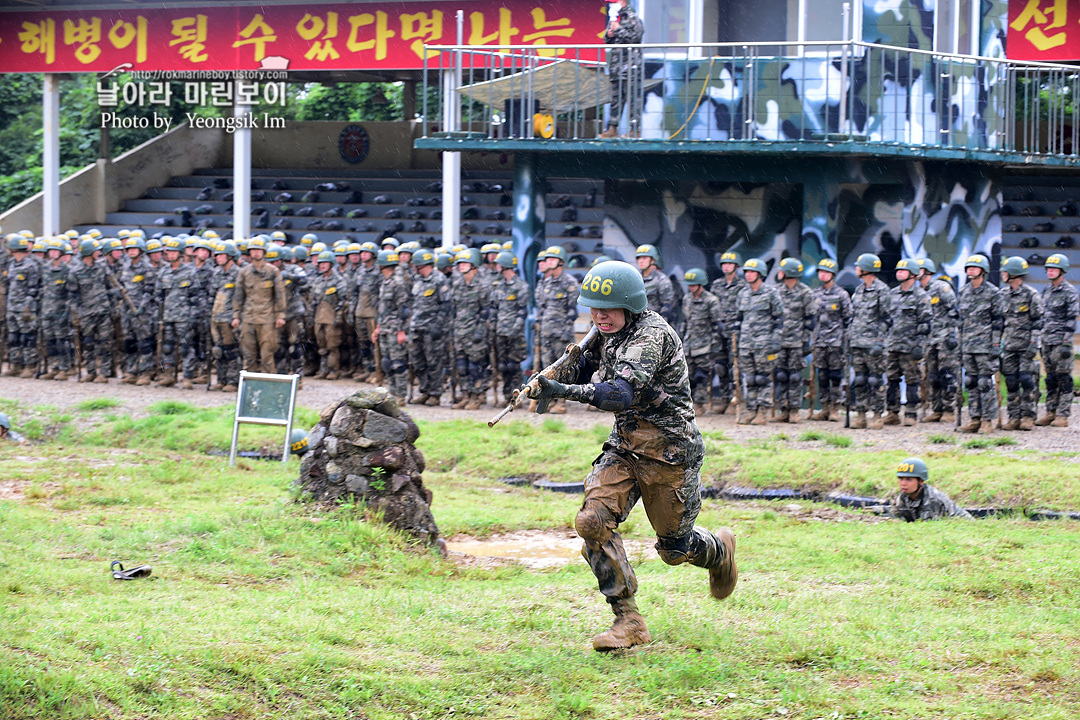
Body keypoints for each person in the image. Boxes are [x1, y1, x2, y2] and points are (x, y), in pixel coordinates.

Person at [528, 260, 736, 651]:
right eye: (593, 308)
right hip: (625, 446)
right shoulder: (605, 332)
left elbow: (618, 394)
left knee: (674, 550)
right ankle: (629, 620)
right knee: (591, 521)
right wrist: (551, 380)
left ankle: (719, 550)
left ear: (631, 305)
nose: (599, 316)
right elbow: (586, 368)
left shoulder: (651, 336)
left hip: (668, 451)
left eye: (608, 309)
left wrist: (562, 391)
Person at [957, 255, 1004, 433]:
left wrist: (995, 344)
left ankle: (987, 420)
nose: (971, 270)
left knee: (985, 382)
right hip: (968, 345)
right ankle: (974, 418)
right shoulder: (963, 292)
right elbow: (962, 321)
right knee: (971, 382)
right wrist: (960, 344)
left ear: (983, 271)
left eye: (975, 268)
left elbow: (998, 321)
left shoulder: (993, 292)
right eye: (969, 267)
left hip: (985, 346)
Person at [734, 258, 783, 425]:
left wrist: (775, 340)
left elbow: (779, 319)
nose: (748, 275)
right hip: (746, 344)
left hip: (764, 344)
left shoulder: (771, 293)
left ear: (760, 274)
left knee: (763, 378)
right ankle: (751, 410)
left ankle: (763, 411)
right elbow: (739, 319)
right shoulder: (743, 294)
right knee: (750, 379)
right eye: (746, 272)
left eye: (752, 272)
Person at [883, 258, 932, 426]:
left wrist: (920, 344)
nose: (899, 273)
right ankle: (892, 412)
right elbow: (886, 319)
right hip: (893, 345)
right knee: (892, 379)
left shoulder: (921, 296)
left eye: (903, 271)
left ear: (912, 275)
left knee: (912, 380)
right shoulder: (892, 294)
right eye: (898, 270)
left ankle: (911, 413)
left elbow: (925, 323)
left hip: (911, 347)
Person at [999, 257, 1043, 431]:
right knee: (1010, 381)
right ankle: (1013, 416)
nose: (1002, 274)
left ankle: (1028, 416)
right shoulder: (1003, 295)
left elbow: (1038, 322)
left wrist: (1034, 344)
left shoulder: (1031, 295)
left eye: (1005, 271)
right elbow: (1000, 321)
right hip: (1009, 346)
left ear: (1014, 273)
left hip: (1026, 346)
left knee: (1026, 381)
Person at [232, 237, 287, 375]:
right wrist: (236, 316)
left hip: (266, 318)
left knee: (267, 354)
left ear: (264, 252)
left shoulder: (272, 271)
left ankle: (269, 384)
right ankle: (250, 386)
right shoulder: (244, 272)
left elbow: (280, 295)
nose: (256, 253)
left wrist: (281, 315)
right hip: (249, 317)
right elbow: (239, 295)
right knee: (248, 354)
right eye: (253, 250)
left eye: (258, 250)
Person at [1036, 253, 1078, 427]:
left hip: (1061, 342)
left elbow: (1071, 318)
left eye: (1054, 269)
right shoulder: (1046, 291)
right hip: (1047, 341)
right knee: (1050, 379)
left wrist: (1067, 343)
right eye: (1049, 269)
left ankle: (1063, 415)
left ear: (1063, 271)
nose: (1050, 272)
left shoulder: (1069, 291)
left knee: (1064, 378)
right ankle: (1050, 411)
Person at [849, 253, 891, 429]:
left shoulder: (882, 290)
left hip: (874, 343)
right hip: (858, 342)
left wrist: (880, 341)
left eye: (859, 266)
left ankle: (877, 415)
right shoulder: (858, 291)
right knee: (860, 380)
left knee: (875, 379)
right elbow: (854, 317)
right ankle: (861, 414)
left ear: (866, 269)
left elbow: (887, 319)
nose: (856, 268)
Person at [916, 258, 960, 424]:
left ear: (927, 271)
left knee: (947, 375)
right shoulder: (919, 292)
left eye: (919, 269)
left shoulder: (941, 287)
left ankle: (949, 409)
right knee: (932, 376)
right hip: (930, 340)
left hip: (944, 338)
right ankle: (937, 409)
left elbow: (954, 312)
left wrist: (952, 335)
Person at [773, 257, 817, 423]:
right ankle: (784, 409)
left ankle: (794, 410)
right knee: (782, 375)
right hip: (780, 342)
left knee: (795, 377)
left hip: (797, 342)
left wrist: (805, 342)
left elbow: (810, 321)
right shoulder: (776, 291)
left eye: (782, 270)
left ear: (789, 273)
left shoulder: (805, 293)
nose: (779, 272)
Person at [809, 258, 852, 421]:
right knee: (822, 376)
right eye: (820, 271)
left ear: (832, 275)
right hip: (820, 342)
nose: (823, 274)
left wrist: (846, 339)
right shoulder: (815, 294)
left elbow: (848, 318)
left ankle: (835, 407)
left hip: (836, 342)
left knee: (835, 375)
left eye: (826, 272)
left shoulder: (841, 294)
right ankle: (824, 407)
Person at [679, 267, 723, 416]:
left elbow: (717, 324)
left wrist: (714, 346)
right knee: (688, 376)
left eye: (693, 285)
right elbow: (685, 321)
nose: (691, 287)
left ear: (701, 284)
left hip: (705, 345)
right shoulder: (687, 299)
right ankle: (688, 404)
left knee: (702, 376)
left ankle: (699, 404)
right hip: (689, 344)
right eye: (689, 285)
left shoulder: (711, 301)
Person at [599, 0, 644, 139]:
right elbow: (607, 40)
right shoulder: (614, 18)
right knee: (615, 99)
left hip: (631, 65)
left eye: (614, 2)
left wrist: (618, 29)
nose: (611, 5)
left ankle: (634, 130)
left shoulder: (632, 17)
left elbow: (636, 37)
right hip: (616, 66)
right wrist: (609, 34)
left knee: (632, 99)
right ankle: (612, 128)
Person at [709, 251, 746, 414]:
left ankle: (735, 399)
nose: (726, 266)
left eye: (730, 264)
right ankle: (724, 399)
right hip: (719, 331)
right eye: (724, 264)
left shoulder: (743, 286)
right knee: (720, 366)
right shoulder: (716, 285)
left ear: (736, 266)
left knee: (734, 366)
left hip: (735, 332)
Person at [374, 249, 411, 403]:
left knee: (398, 362)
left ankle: (401, 395)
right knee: (387, 362)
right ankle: (392, 392)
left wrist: (402, 331)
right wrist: (377, 327)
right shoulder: (385, 281)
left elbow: (404, 309)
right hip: (385, 328)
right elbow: (383, 308)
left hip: (396, 329)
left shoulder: (399, 282)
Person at [890, 457, 972, 522]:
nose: (903, 483)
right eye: (901, 478)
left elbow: (927, 528)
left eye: (909, 479)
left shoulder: (933, 500)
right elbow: (897, 515)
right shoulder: (904, 495)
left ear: (921, 481)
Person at [635, 244, 675, 325]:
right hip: (637, 324)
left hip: (654, 325)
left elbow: (667, 307)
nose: (641, 261)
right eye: (639, 258)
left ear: (653, 260)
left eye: (644, 258)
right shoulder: (636, 278)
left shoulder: (662, 280)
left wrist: (659, 326)